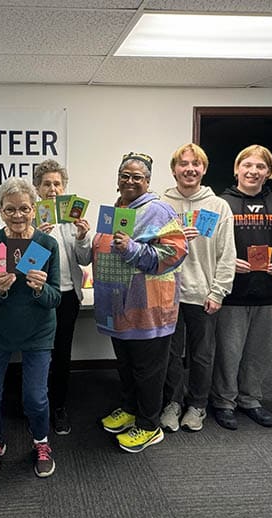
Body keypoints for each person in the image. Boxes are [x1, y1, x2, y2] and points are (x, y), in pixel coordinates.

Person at [96, 152, 188, 453]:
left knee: (148, 371)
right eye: (125, 175)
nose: (130, 181)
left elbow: (176, 252)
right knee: (127, 365)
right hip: (118, 306)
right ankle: (131, 409)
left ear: (148, 181)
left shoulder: (158, 210)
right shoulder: (114, 210)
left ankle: (149, 426)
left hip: (150, 308)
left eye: (137, 177)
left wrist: (135, 250)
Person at [0, 177, 61, 478]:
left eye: (24, 208)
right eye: (10, 210)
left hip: (38, 331)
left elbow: (55, 298)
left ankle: (41, 441)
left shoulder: (47, 244)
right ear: (0, 211)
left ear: (34, 209)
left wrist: (39, 289)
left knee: (35, 398)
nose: (18, 215)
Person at [211, 144, 272, 430]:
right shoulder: (220, 202)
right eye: (247, 165)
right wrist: (227, 262)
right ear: (237, 169)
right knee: (229, 350)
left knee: (260, 351)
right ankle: (224, 401)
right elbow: (208, 244)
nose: (253, 171)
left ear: (269, 173)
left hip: (268, 291)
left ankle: (250, 399)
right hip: (232, 291)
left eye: (261, 166)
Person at [159, 143, 236, 433]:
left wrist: (218, 292)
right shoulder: (161, 204)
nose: (189, 169)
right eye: (183, 164)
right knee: (171, 353)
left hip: (203, 294)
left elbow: (227, 254)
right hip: (168, 294)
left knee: (203, 354)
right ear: (174, 169)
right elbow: (149, 245)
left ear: (203, 169)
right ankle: (173, 403)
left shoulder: (218, 206)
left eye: (196, 164)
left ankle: (198, 405)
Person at [33, 159, 92, 435]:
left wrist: (82, 236)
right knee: (37, 352)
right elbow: (25, 264)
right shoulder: (27, 217)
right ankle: (36, 404)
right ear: (37, 188)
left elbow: (84, 259)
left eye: (57, 184)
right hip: (38, 296)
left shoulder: (72, 219)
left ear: (64, 187)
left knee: (62, 352)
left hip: (67, 296)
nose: (53, 189)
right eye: (47, 184)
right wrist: (37, 239)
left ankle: (58, 406)